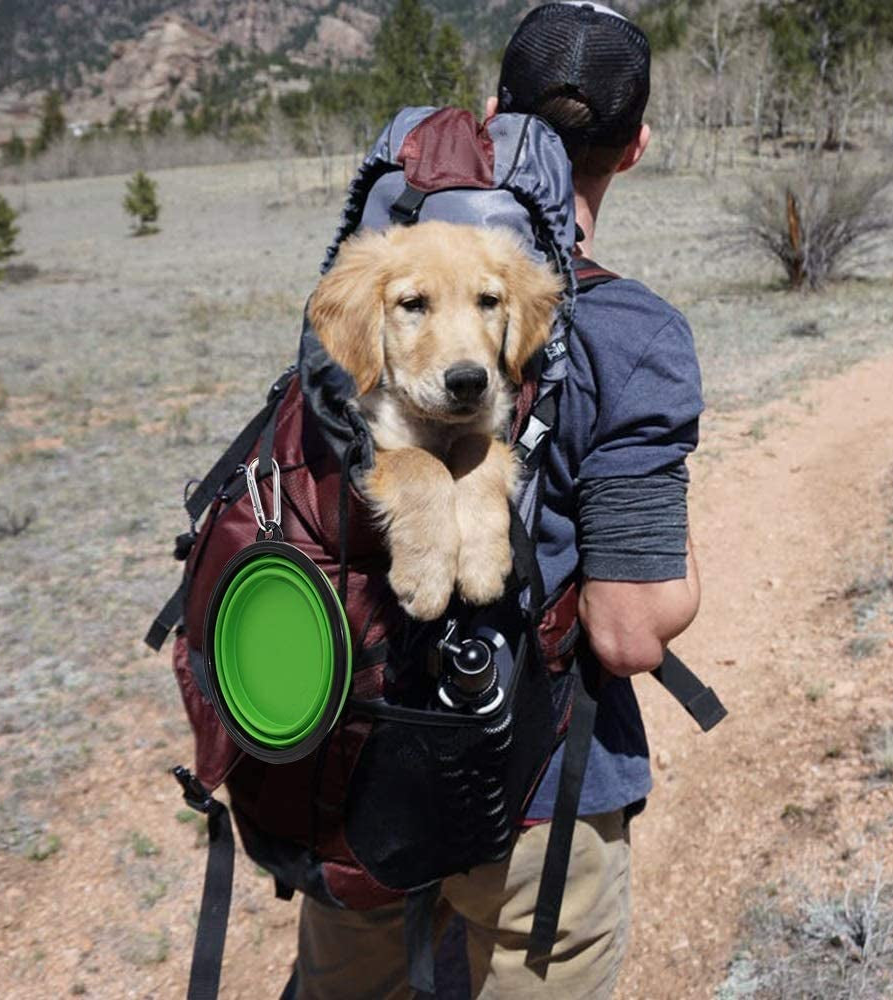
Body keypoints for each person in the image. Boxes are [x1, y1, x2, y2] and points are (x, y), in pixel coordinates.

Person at [293, 3, 702, 997]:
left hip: (355, 769)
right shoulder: (637, 335)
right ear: (636, 145)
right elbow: (627, 628)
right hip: (534, 800)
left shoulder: (374, 289)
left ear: (493, 118)